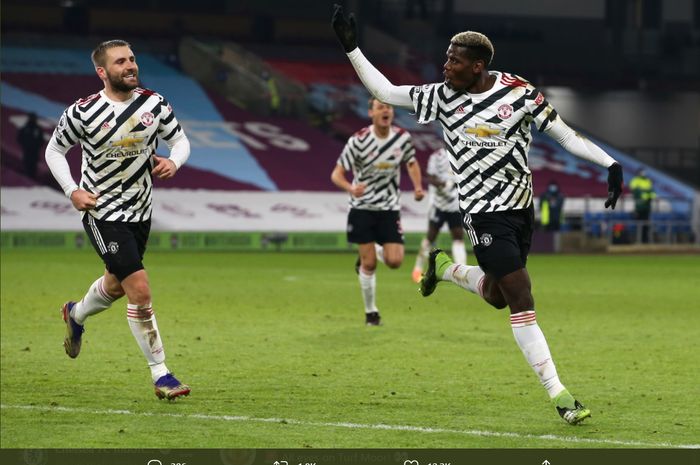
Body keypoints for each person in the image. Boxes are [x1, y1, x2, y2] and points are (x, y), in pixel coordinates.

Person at [332, 5, 624, 424]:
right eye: (446, 57)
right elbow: (386, 91)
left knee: (497, 296)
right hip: (482, 212)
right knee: (521, 295)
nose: (445, 65)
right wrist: (352, 48)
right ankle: (561, 396)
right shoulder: (440, 96)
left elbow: (563, 133)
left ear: (478, 65)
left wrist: (609, 163)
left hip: (522, 209)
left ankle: (445, 269)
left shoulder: (519, 92)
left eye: (454, 60)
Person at [44, 39, 191, 400]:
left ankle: (75, 314)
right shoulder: (82, 112)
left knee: (114, 285)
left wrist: (174, 161)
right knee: (138, 289)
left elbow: (181, 141)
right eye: (121, 61)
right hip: (102, 211)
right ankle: (162, 374)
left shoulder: (154, 104)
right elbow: (55, 150)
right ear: (102, 71)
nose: (130, 66)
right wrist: (72, 190)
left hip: (141, 211)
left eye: (132, 59)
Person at [331, 97, 424, 326]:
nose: (386, 111)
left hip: (389, 208)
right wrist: (351, 188)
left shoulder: (402, 138)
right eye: (380, 107)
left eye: (389, 107)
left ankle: (370, 253)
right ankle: (371, 312)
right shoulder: (358, 141)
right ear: (371, 113)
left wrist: (418, 187)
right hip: (362, 208)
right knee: (370, 265)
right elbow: (336, 174)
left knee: (395, 261)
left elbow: (411, 162)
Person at [412, 147, 467, 283]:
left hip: (455, 205)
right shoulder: (437, 156)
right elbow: (430, 177)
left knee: (458, 236)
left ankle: (462, 271)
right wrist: (444, 183)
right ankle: (417, 269)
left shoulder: (463, 153)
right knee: (431, 236)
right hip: (439, 204)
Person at [629, 168, 656, 243]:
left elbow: (652, 193)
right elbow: (635, 190)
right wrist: (645, 194)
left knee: (646, 224)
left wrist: (646, 195)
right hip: (639, 206)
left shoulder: (647, 181)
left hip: (647, 206)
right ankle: (638, 240)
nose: (643, 173)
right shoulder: (635, 180)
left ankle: (645, 240)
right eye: (642, 172)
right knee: (639, 224)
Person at [16, 112, 45, 179]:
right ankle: (27, 177)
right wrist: (25, 145)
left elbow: (41, 140)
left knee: (33, 165)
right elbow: (19, 138)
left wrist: (36, 146)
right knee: (27, 164)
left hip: (34, 151)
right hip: (27, 150)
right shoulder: (25, 128)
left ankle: (31, 178)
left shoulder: (37, 129)